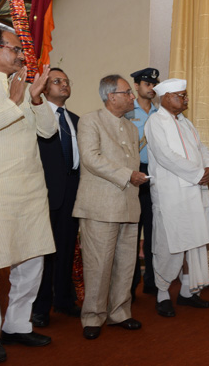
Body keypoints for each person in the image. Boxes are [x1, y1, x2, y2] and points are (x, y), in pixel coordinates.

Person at [0, 25, 57, 364]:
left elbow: (48, 132)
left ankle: (17, 325)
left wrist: (36, 99)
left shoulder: (23, 88)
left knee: (32, 261)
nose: (21, 55)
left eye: (22, 50)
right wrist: (12, 101)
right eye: (15, 48)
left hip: (30, 190)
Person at [72, 74, 148, 340]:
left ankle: (120, 312)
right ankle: (92, 316)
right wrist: (128, 175)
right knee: (99, 264)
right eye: (127, 92)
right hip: (100, 206)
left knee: (126, 264)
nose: (132, 97)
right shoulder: (90, 120)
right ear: (111, 96)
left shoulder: (131, 127)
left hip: (128, 204)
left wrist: (132, 178)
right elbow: (91, 159)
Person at [144, 78, 209, 318]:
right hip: (170, 194)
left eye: (185, 95)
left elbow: (202, 148)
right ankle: (162, 294)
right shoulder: (156, 121)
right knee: (169, 244)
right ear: (165, 98)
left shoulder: (185, 122)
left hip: (194, 191)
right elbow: (166, 156)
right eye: (180, 95)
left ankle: (187, 292)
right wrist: (197, 174)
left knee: (193, 242)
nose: (185, 100)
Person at [32, 68, 81, 328]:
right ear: (43, 87)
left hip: (73, 193)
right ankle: (40, 307)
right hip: (44, 193)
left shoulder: (76, 119)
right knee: (43, 254)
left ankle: (63, 299)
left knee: (66, 248)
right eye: (57, 81)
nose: (64, 85)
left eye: (66, 81)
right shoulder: (33, 116)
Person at [126, 67, 159, 300]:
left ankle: (152, 280)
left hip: (155, 174)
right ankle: (130, 284)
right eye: (147, 83)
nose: (151, 88)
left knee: (153, 229)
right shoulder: (128, 112)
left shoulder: (160, 114)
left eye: (154, 84)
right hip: (133, 173)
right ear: (136, 86)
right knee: (131, 230)